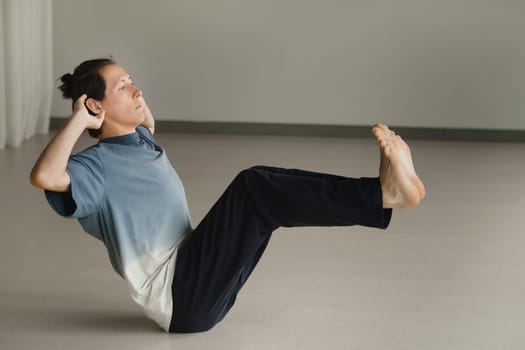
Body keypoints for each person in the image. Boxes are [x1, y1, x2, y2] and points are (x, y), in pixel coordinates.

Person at [30, 58, 425, 333]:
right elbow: (44, 175)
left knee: (266, 190)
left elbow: (147, 121)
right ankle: (382, 194)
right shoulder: (94, 168)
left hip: (197, 284)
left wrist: (128, 99)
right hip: (181, 295)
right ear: (97, 105)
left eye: (132, 80)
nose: (136, 88)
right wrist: (81, 116)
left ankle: (379, 193)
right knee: (254, 187)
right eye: (123, 85)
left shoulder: (139, 143)